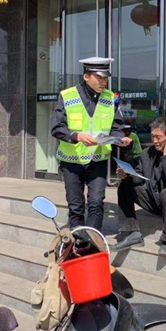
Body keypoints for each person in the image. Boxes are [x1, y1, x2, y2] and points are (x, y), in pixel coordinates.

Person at [50, 57, 131, 229]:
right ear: (86, 77)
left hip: (98, 160)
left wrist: (119, 139)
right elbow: (56, 127)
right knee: (76, 205)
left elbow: (117, 127)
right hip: (72, 161)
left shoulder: (111, 98)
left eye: (105, 78)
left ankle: (93, 239)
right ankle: (78, 238)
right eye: (99, 77)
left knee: (96, 202)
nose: (103, 82)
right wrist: (76, 136)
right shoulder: (67, 96)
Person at [112, 117, 166, 255]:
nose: (155, 141)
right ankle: (131, 233)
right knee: (125, 186)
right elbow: (139, 177)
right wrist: (127, 175)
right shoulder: (147, 153)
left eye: (158, 137)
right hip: (157, 201)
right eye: (152, 136)